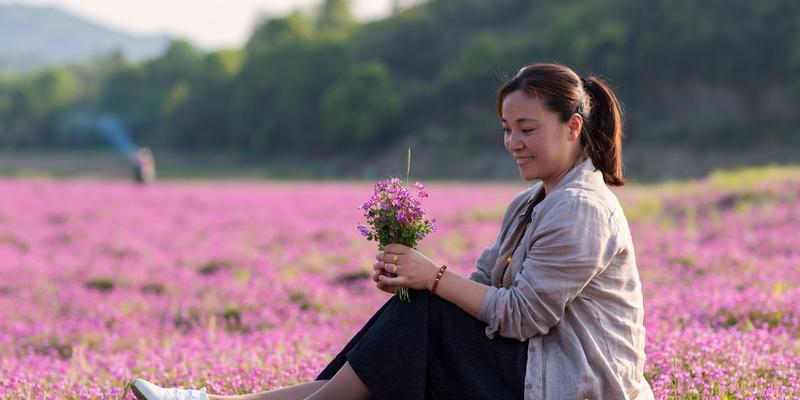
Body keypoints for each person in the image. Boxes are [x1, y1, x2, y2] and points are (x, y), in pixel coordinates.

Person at [129, 62, 653, 399]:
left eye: (527, 129)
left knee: (423, 313)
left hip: (576, 384)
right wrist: (417, 276)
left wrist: (432, 277)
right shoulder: (533, 202)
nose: (513, 142)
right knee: (415, 317)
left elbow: (520, 317)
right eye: (507, 130)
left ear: (574, 126)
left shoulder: (581, 207)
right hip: (532, 366)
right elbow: (483, 286)